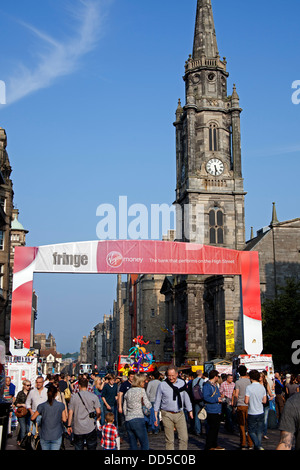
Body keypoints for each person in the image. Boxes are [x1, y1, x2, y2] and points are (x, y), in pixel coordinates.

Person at [154, 365, 193, 451]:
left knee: (184, 438)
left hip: (179, 413)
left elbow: (186, 397)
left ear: (177, 374)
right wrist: (155, 415)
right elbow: (157, 400)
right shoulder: (162, 385)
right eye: (169, 376)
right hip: (167, 413)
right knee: (169, 440)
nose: (171, 378)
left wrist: (190, 410)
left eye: (173, 375)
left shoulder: (182, 383)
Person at [67, 376, 101, 450]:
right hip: (90, 426)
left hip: (78, 427)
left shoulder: (74, 397)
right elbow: (98, 411)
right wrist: (97, 418)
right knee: (91, 446)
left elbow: (70, 412)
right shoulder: (93, 396)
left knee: (79, 447)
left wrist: (69, 425)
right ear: (87, 385)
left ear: (79, 385)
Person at [31, 384, 67, 450]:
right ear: (56, 394)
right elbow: (64, 419)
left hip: (44, 434)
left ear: (47, 394)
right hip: (57, 434)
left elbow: (32, 418)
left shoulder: (41, 406)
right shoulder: (61, 405)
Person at [123, 373, 151, 450]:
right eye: (144, 381)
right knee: (144, 444)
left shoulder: (128, 392)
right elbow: (148, 405)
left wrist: (127, 415)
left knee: (133, 445)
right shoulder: (142, 391)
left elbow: (124, 408)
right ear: (140, 382)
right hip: (138, 418)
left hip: (128, 420)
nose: (145, 383)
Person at [203, 369, 225, 450]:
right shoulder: (207, 385)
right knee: (211, 429)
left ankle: (215, 444)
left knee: (216, 429)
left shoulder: (215, 385)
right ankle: (209, 446)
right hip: (211, 409)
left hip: (217, 409)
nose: (218, 378)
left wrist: (220, 397)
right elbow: (206, 397)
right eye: (217, 376)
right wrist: (217, 399)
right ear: (215, 377)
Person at [244, 369, 267, 451]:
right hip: (260, 411)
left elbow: (246, 401)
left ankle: (258, 445)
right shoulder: (262, 387)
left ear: (251, 378)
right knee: (259, 431)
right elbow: (264, 401)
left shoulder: (249, 388)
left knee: (251, 431)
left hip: (252, 412)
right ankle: (258, 446)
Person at [233, 365, 253, 450]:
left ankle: (243, 443)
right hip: (249, 405)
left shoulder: (238, 382)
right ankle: (250, 443)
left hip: (240, 405)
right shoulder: (250, 382)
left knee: (241, 425)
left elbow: (236, 395)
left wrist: (234, 405)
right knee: (249, 425)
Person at [14, 380, 31, 445]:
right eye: (27, 385)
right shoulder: (20, 393)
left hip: (29, 413)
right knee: (23, 428)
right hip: (22, 413)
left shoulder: (31, 393)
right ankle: (23, 443)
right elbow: (16, 403)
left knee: (27, 428)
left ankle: (21, 439)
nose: (29, 387)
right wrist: (22, 404)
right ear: (24, 385)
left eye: (30, 385)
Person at [146, 370, 161, 434]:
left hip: (151, 400)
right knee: (157, 415)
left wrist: (148, 399)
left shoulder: (150, 383)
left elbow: (147, 392)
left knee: (150, 415)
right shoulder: (161, 383)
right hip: (158, 400)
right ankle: (156, 429)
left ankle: (150, 429)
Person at [259, 372, 273, 440]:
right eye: (259, 376)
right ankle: (259, 433)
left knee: (265, 420)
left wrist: (272, 396)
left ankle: (264, 433)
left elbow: (269, 392)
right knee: (259, 419)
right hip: (259, 403)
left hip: (265, 403)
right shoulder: (256, 384)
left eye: (261, 376)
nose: (260, 378)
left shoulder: (265, 383)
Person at [190, 369, 205, 436]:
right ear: (201, 374)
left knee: (196, 415)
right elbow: (202, 389)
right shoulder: (202, 380)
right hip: (201, 399)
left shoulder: (194, 381)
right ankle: (205, 429)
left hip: (195, 399)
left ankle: (197, 430)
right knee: (205, 413)